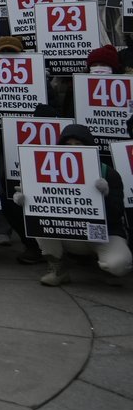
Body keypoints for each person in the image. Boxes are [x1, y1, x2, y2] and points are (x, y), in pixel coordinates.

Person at [27, 123, 131, 288]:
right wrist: (27, 201)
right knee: (40, 223)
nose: (73, 149)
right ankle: (58, 269)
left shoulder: (107, 172)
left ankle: (104, 267)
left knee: (118, 265)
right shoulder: (50, 171)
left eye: (78, 144)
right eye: (68, 145)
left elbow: (117, 213)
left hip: (103, 234)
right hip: (69, 233)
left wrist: (105, 196)